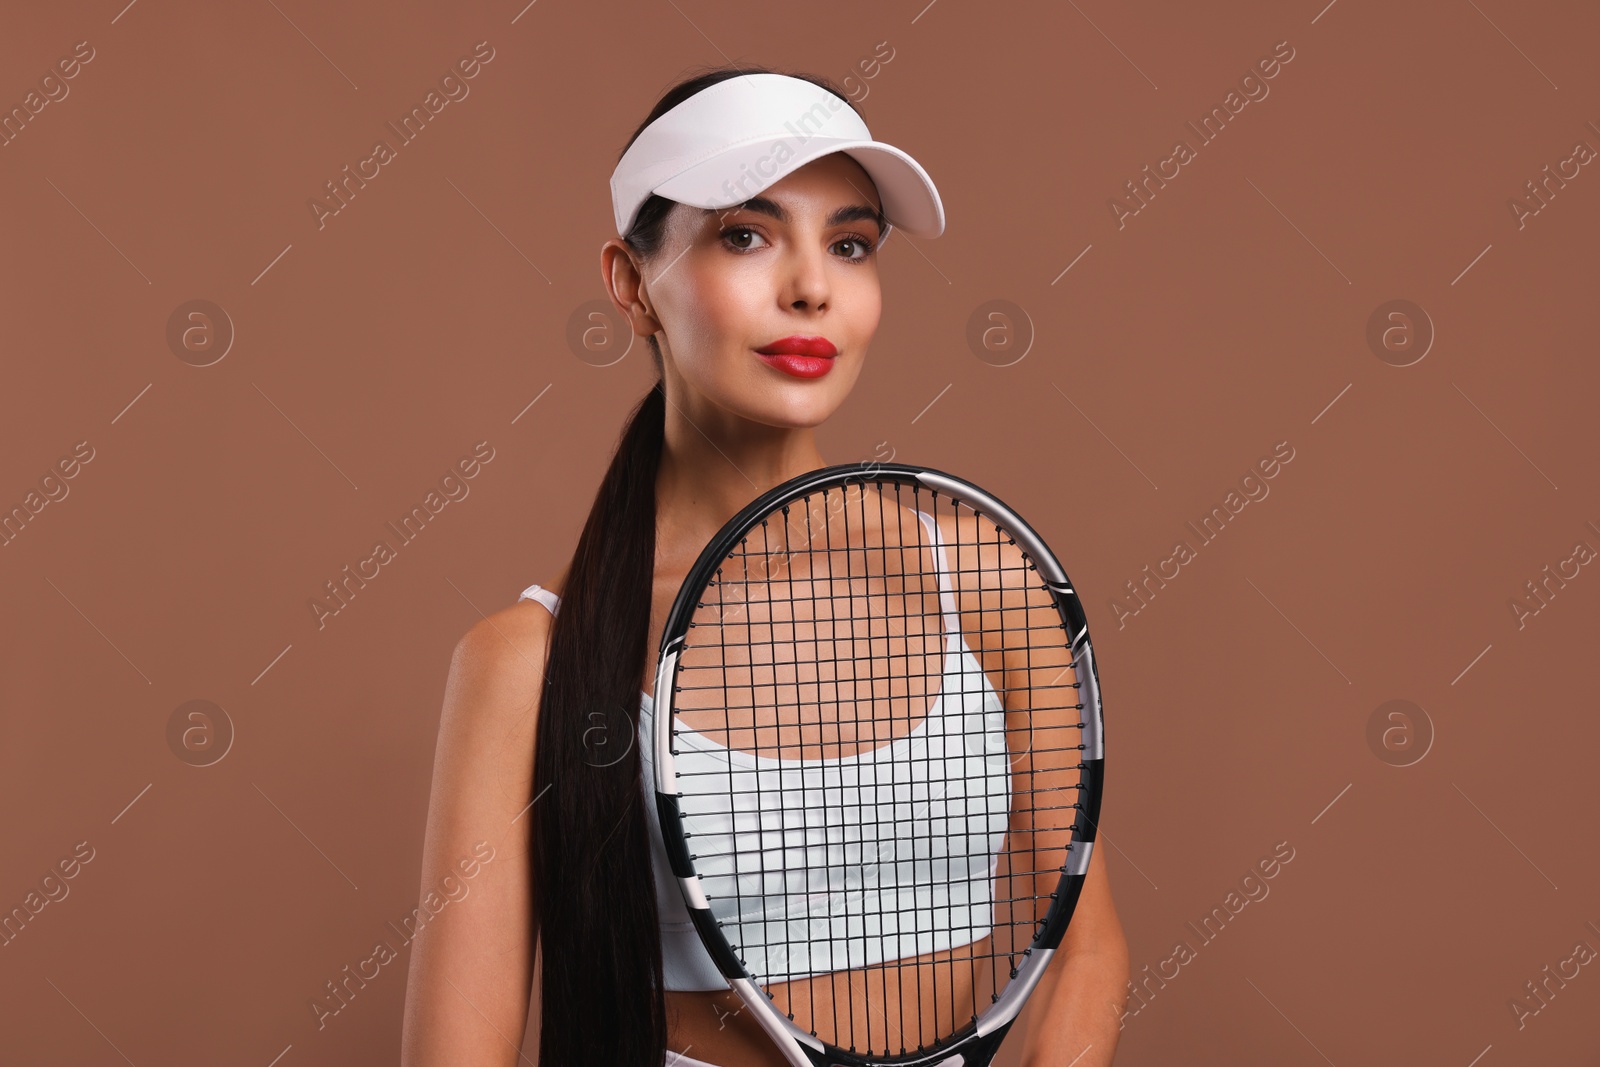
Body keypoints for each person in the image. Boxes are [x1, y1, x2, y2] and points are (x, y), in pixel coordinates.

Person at [401, 66, 1129, 1067]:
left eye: (850, 243)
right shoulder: (528, 661)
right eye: (745, 234)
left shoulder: (987, 582)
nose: (811, 287)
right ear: (629, 282)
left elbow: (1083, 946)